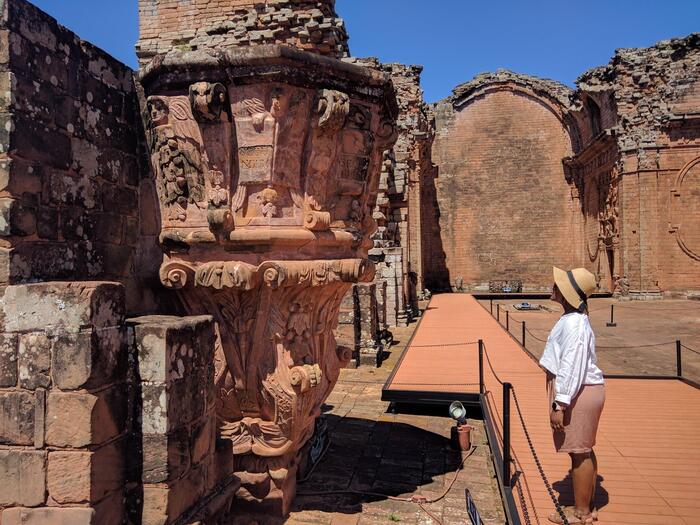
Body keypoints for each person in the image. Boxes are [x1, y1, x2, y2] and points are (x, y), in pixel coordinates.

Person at [539, 267, 605, 524]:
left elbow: (572, 365)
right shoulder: (572, 320)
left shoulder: (575, 324)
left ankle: (581, 513)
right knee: (583, 450)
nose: (552, 287)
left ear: (566, 293)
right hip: (581, 391)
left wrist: (560, 403)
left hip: (579, 393)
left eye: (557, 284)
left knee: (579, 452)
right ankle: (587, 503)